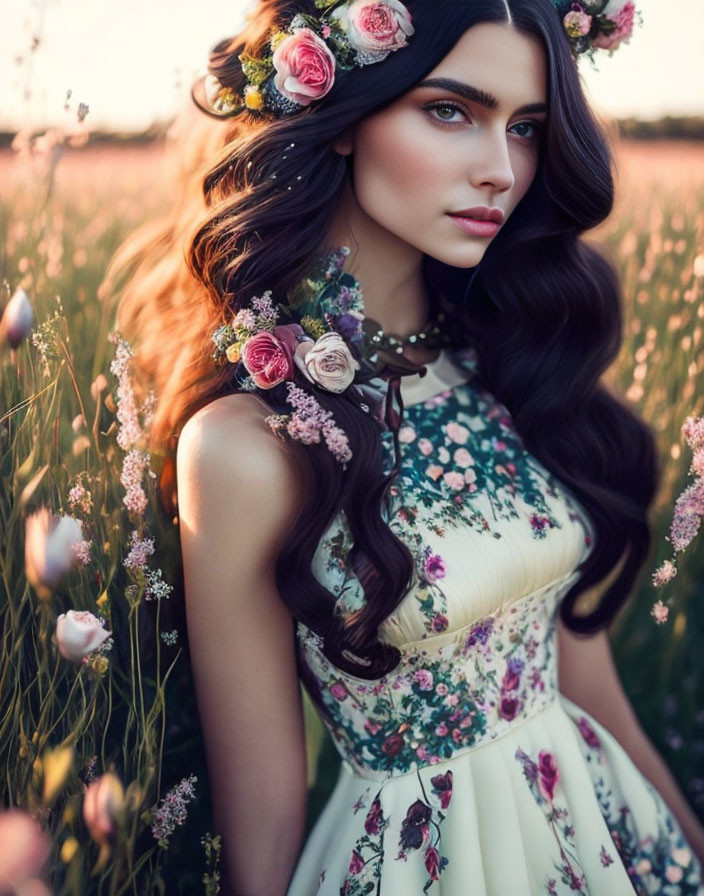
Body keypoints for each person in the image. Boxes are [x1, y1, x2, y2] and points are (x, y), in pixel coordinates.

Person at [111, 0, 704, 893]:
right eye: (451, 110)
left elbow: (585, 675)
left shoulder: (509, 367)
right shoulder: (246, 448)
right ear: (345, 116)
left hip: (607, 830)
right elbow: (264, 819)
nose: (502, 169)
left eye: (529, 128)